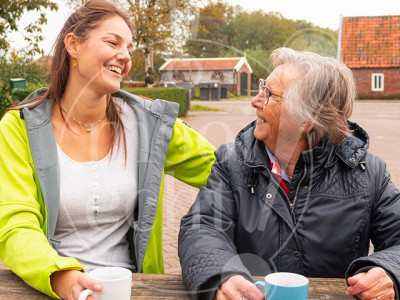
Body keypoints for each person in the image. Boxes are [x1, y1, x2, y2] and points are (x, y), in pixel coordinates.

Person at [0, 1, 215, 299]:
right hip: (53, 289)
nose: (125, 56)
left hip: (132, 290)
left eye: (129, 48)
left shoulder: (148, 124)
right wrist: (62, 275)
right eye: (112, 42)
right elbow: (15, 224)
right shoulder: (18, 129)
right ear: (73, 45)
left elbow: (223, 170)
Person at [178, 47, 400, 300]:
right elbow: (202, 228)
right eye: (262, 86)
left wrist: (391, 271)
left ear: (307, 119)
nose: (255, 101)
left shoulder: (367, 172)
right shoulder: (232, 162)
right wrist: (221, 275)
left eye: (268, 93)